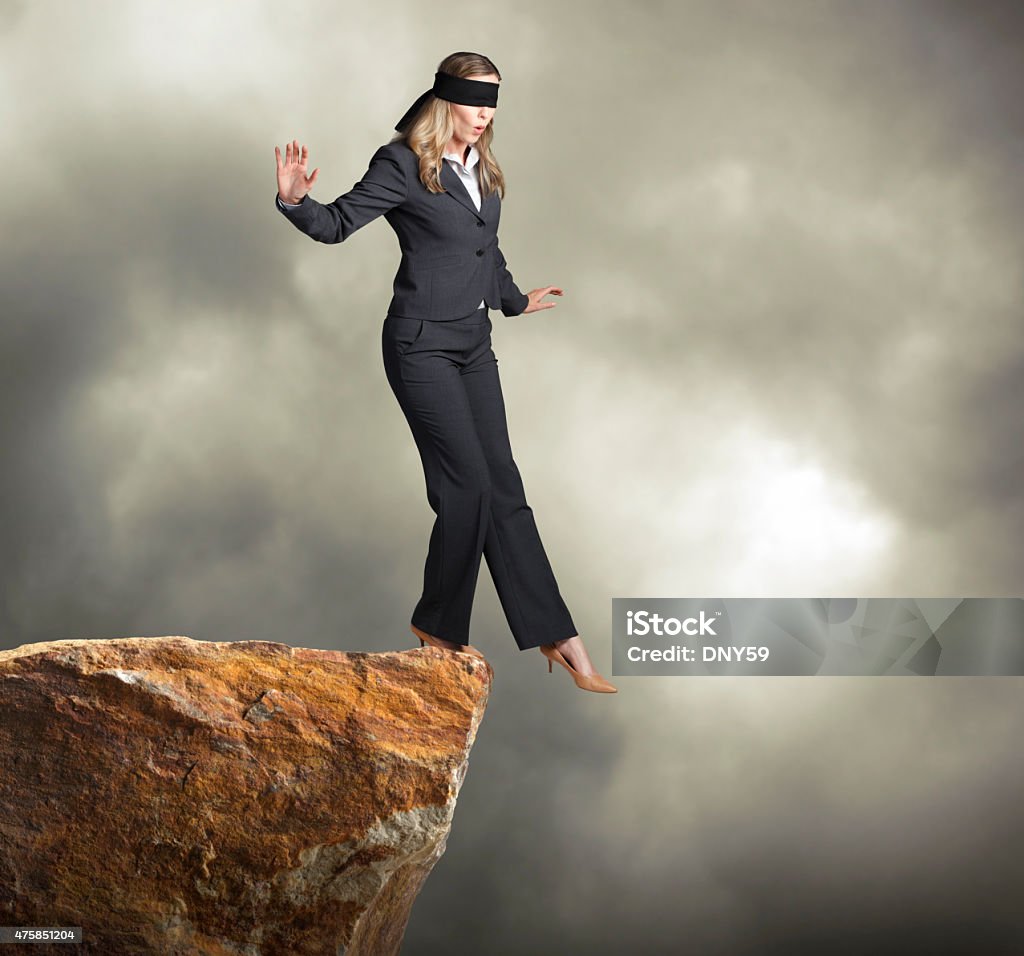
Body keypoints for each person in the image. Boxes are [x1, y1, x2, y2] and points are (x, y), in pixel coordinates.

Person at [274, 52, 615, 694]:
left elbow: (486, 249)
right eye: (474, 100)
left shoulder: (482, 169)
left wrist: (514, 300)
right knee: (467, 490)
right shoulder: (402, 163)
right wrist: (295, 202)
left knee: (503, 485)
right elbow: (340, 223)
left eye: (492, 102)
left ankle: (557, 633)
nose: (485, 114)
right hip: (420, 345)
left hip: (473, 343)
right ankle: (439, 624)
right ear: (445, 100)